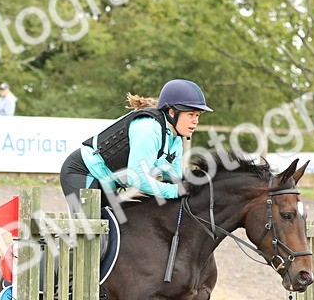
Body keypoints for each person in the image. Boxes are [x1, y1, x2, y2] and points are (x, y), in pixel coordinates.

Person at [59, 78, 210, 212]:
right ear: (172, 112)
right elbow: (137, 179)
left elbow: (174, 180)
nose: (195, 121)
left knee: (111, 227)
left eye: (197, 115)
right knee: (89, 232)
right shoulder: (150, 128)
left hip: (107, 183)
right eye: (191, 115)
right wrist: (176, 190)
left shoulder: (176, 140)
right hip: (82, 172)